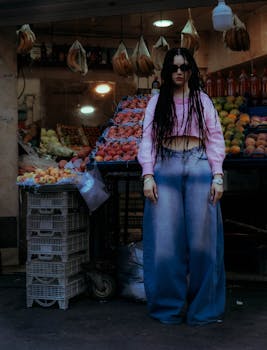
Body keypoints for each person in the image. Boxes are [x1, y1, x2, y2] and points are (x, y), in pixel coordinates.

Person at [137, 47, 225, 326]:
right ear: (166, 71)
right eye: (174, 67)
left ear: (191, 71)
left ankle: (204, 311)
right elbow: (147, 140)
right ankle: (167, 309)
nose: (179, 72)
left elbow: (215, 139)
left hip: (199, 165)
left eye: (184, 67)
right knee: (164, 243)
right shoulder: (156, 102)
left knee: (204, 243)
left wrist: (218, 175)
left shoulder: (203, 100)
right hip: (165, 165)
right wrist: (147, 175)